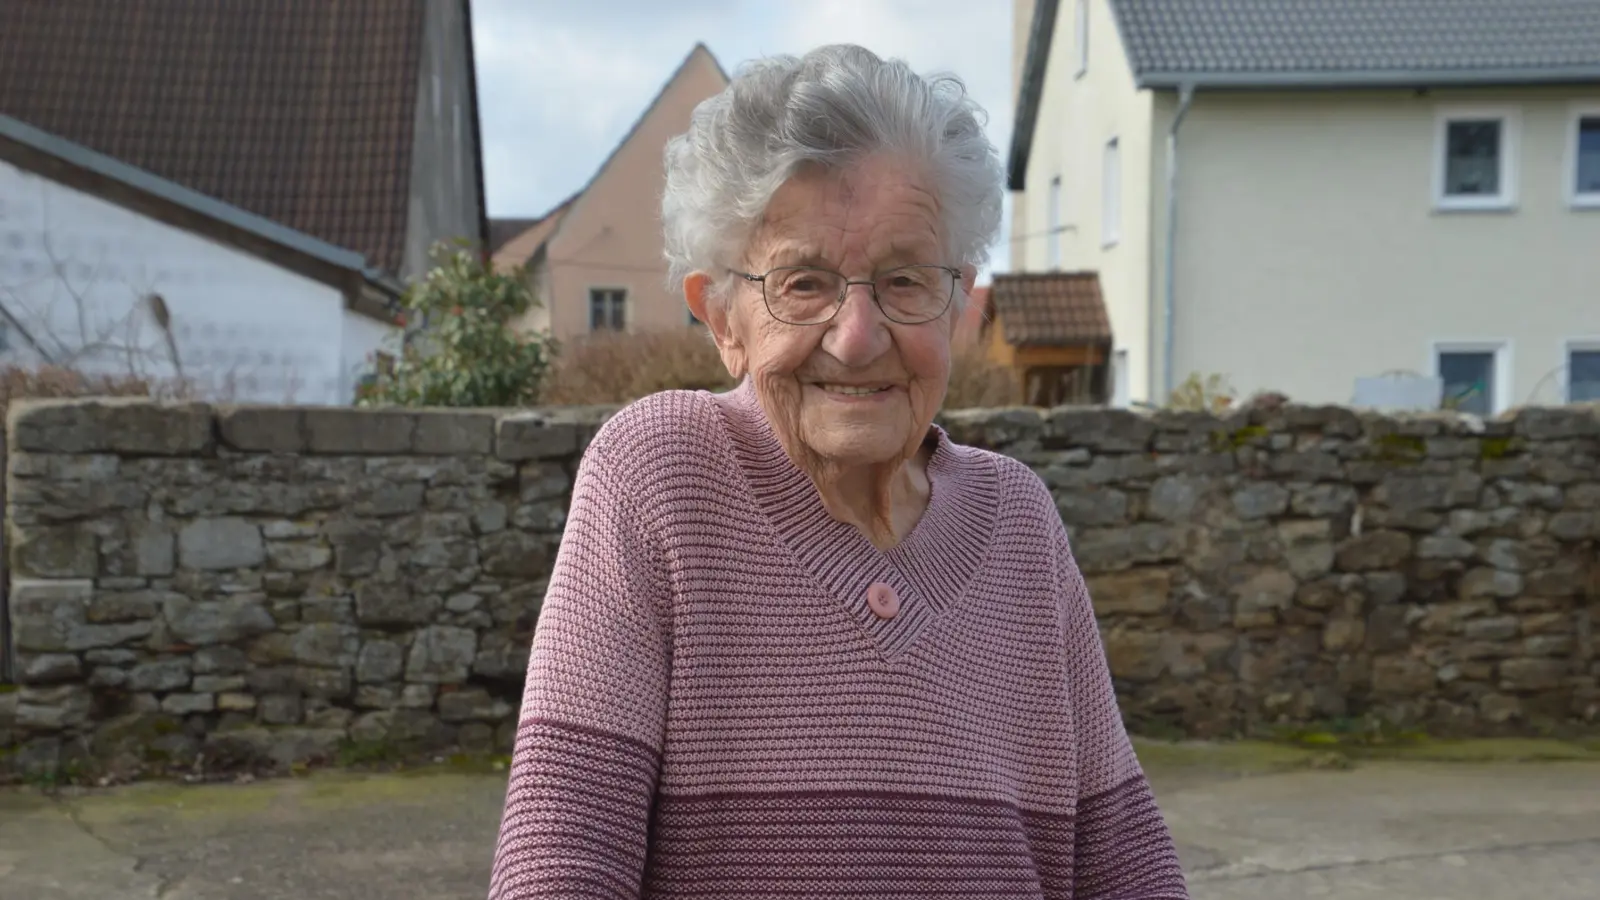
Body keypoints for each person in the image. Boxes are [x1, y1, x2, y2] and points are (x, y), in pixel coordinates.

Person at [488, 44, 1189, 900]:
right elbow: (559, 866)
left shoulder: (1019, 519)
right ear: (723, 319)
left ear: (961, 306)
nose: (857, 336)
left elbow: (1128, 868)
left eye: (903, 280)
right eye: (805, 283)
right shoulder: (657, 479)